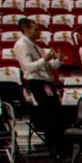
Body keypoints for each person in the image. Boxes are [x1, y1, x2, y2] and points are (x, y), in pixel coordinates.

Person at [12, 16, 63, 151]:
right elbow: (28, 67)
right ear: (26, 30)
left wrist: (58, 60)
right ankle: (53, 147)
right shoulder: (21, 45)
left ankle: (60, 145)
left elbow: (48, 66)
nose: (39, 32)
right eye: (35, 29)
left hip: (46, 81)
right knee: (49, 114)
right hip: (36, 82)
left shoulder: (35, 46)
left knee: (56, 113)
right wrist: (44, 59)